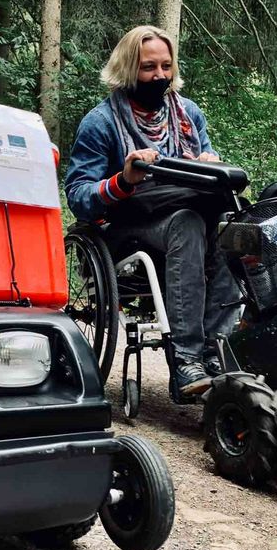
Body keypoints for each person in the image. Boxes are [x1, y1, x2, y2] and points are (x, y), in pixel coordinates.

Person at [65, 25, 240, 396]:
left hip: (185, 217)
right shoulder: (101, 122)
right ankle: (186, 360)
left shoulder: (189, 114)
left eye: (166, 66)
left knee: (229, 228)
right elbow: (79, 196)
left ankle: (216, 353)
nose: (159, 75)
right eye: (148, 68)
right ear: (128, 70)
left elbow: (205, 161)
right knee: (188, 224)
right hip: (124, 229)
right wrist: (124, 179)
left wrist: (209, 162)